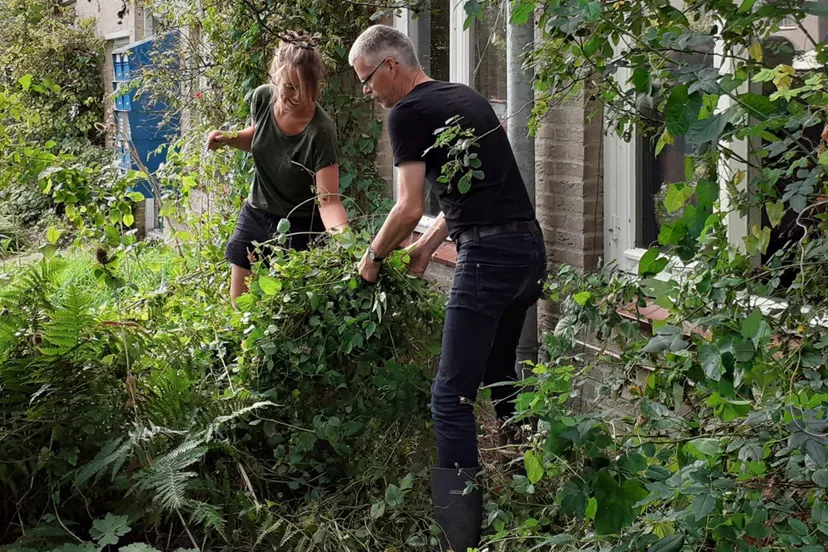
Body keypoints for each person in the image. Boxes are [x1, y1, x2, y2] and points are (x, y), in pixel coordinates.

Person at [348, 24, 546, 552]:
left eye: (367, 80)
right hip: (528, 252)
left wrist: (371, 259)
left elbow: (409, 206)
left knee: (449, 397)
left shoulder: (408, 112)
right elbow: (468, 195)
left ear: (391, 66)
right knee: (501, 372)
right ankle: (534, 484)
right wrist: (427, 246)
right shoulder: (465, 97)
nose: (368, 92)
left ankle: (458, 541)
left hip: (487, 260)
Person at [207, 33, 348, 307]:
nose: (296, 96)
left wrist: (348, 242)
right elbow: (259, 139)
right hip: (256, 213)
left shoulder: (321, 131)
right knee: (240, 302)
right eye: (289, 86)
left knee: (289, 308)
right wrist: (229, 138)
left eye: (305, 89)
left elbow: (328, 201)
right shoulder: (262, 98)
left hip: (300, 227)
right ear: (275, 77)